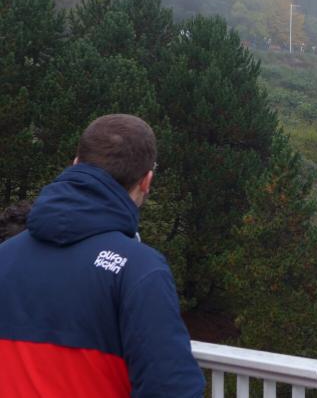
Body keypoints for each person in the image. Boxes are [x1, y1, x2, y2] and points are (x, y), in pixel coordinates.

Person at [0, 114, 205, 397]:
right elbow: (171, 387)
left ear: (75, 163)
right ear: (146, 181)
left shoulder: (5, 255)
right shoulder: (140, 269)